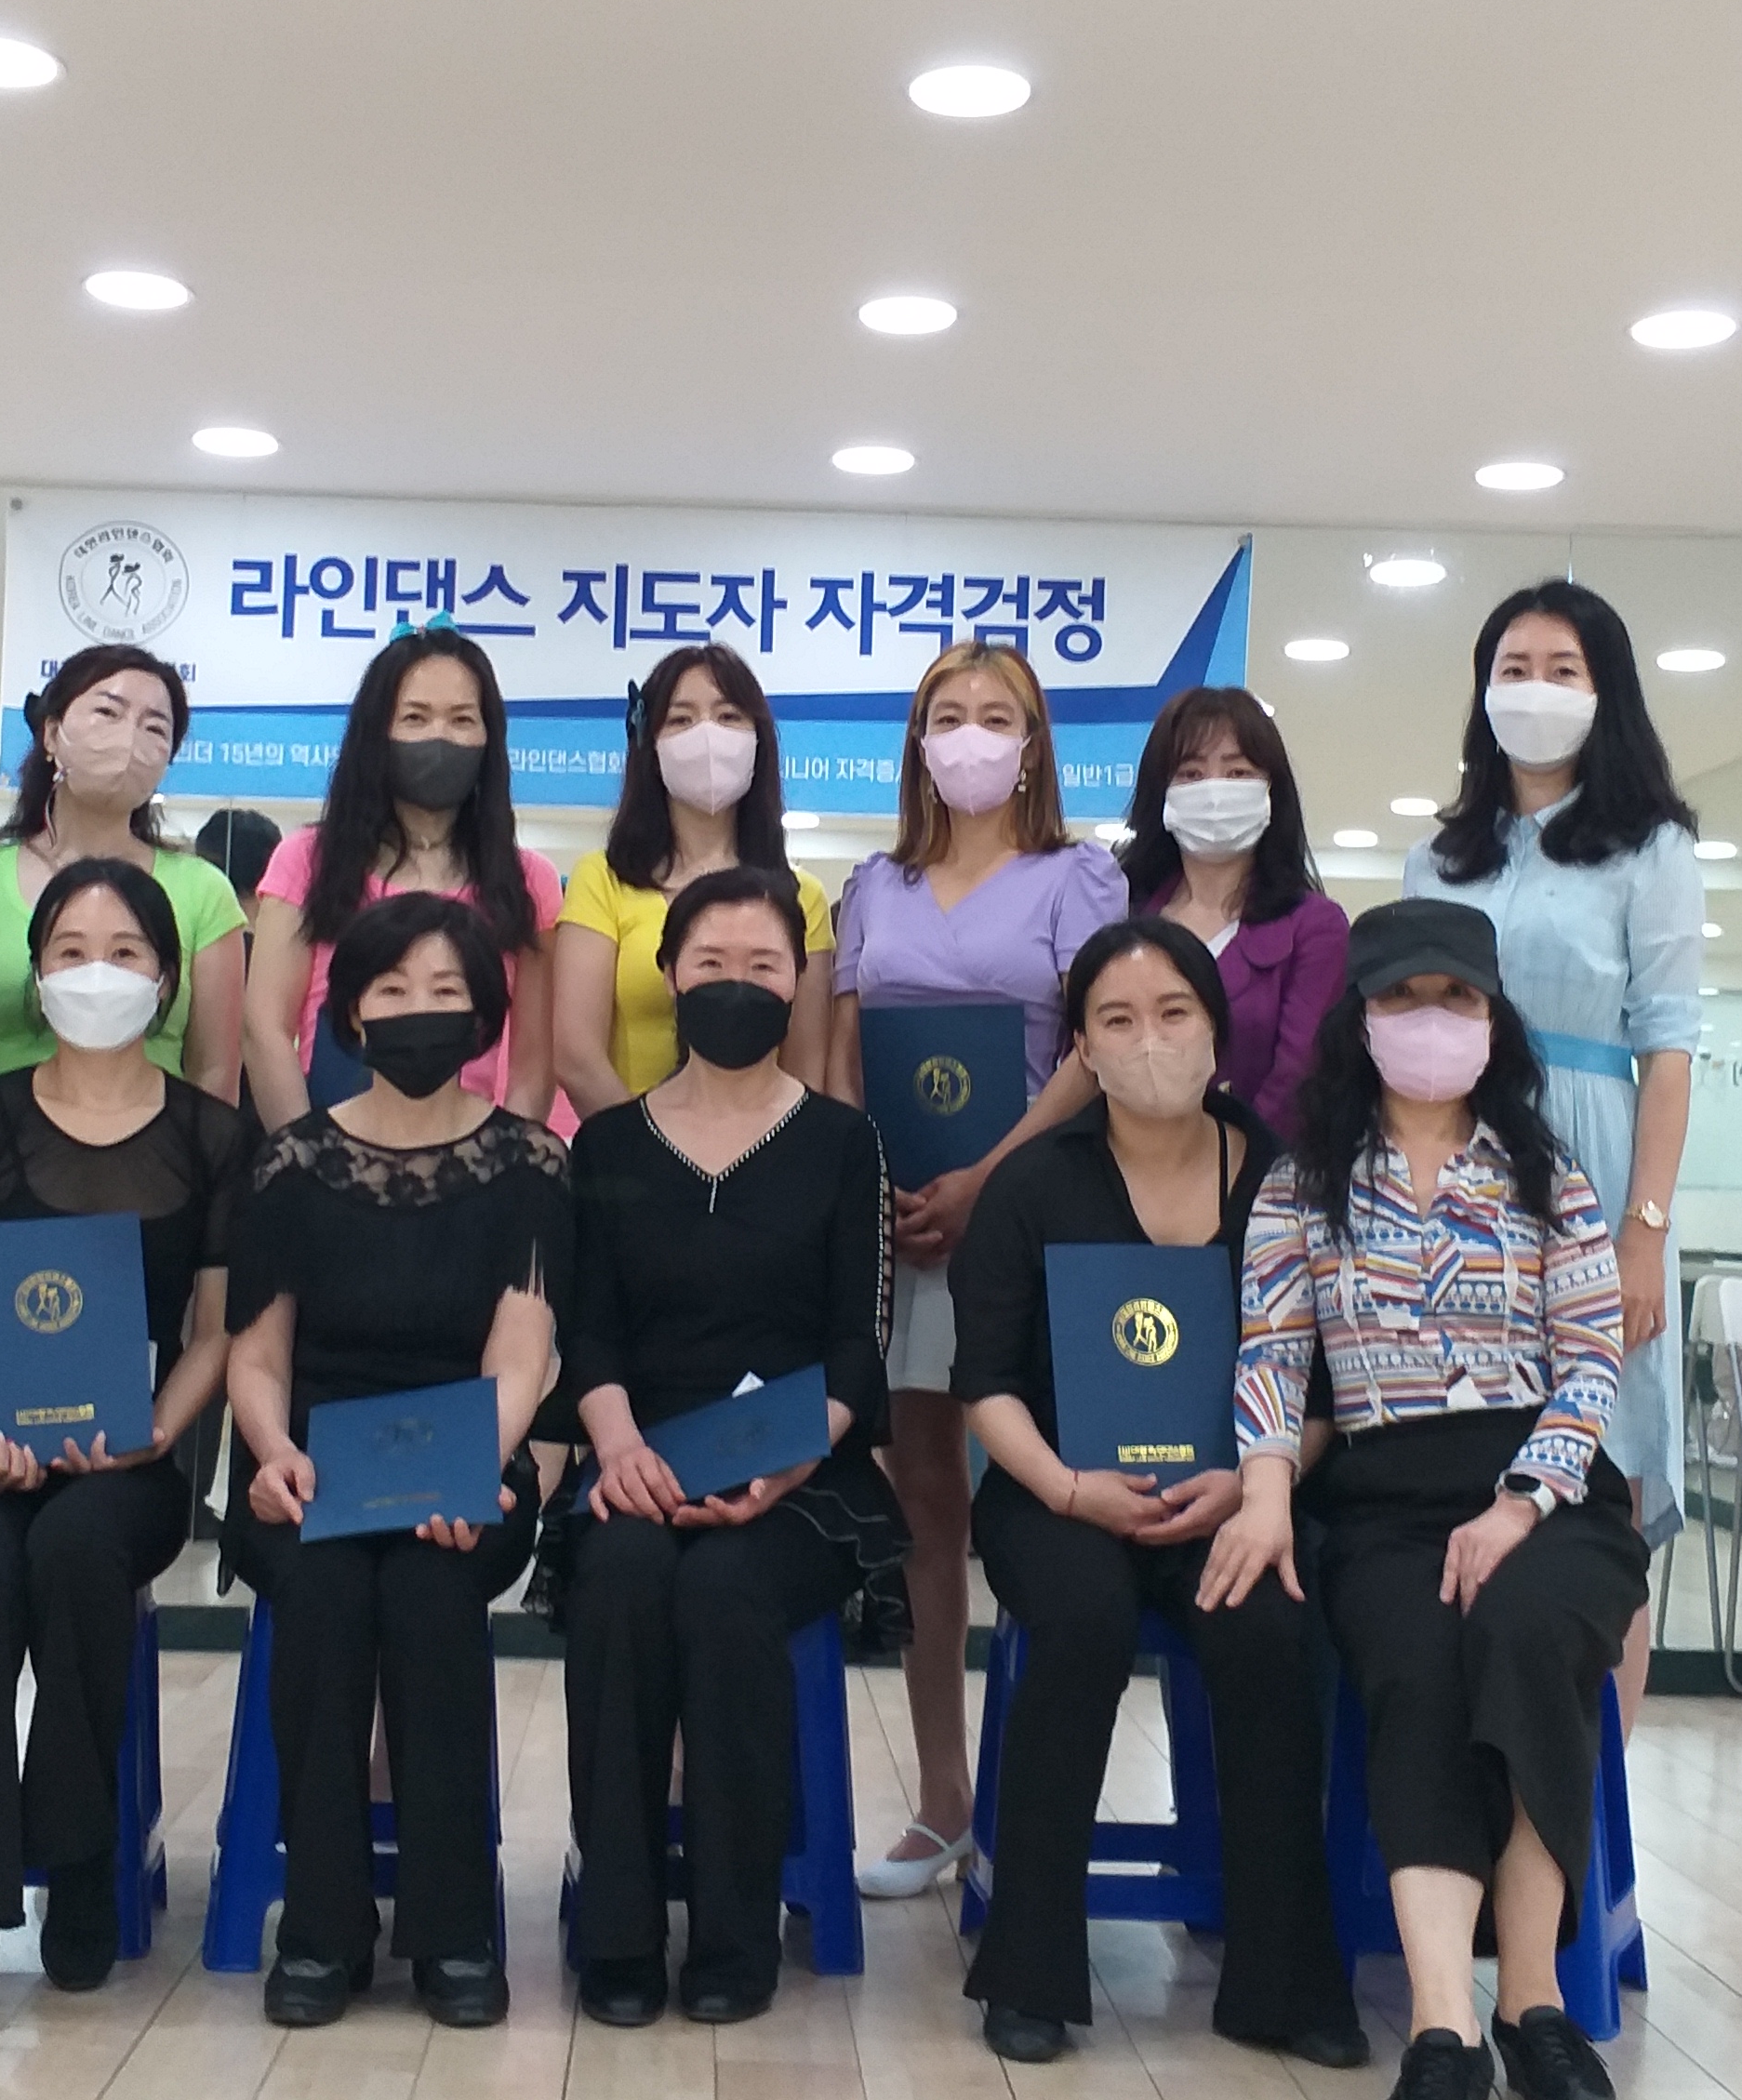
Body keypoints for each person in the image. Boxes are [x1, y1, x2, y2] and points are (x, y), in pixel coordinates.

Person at [1206, 897, 1650, 2100]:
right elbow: (1273, 1357)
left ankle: (1534, 2003)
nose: (1430, 1020)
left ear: (1494, 1016)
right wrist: (1267, 1489)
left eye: (1456, 997)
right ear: (1360, 1018)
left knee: (1526, 1629)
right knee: (1415, 1660)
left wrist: (1520, 1503)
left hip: (1548, 1493)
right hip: (1385, 1498)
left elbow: (1590, 1360)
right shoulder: (1302, 1183)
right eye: (1402, 998)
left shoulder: (1550, 1176)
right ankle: (1444, 2030)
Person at [949, 917, 1363, 2068]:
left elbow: (1331, 1387)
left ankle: (1283, 1979)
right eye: (1117, 1021)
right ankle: (1031, 1970)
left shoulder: (1286, 1179)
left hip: (1241, 1490)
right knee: (1080, 1619)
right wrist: (1071, 1490)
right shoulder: (1034, 1182)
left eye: (1174, 1013)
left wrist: (1257, 1480)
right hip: (1056, 1491)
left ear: (1217, 1032)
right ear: (1081, 1045)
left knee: (1270, 1624)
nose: (1149, 1042)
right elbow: (985, 1386)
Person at [0, 855, 251, 2043]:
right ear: (36, 977)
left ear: (168, 981)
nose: (99, 974)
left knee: (78, 1552)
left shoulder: (212, 1135)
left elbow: (215, 1328)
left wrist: (152, 1433)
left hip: (128, 1458)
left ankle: (79, 1855)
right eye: (72, 953)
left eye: (126, 953)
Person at [557, 870, 902, 2027]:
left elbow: (859, 1342)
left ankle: (734, 1933)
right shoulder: (608, 1143)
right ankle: (617, 1933)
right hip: (637, 1452)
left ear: (798, 982)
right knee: (621, 1578)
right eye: (712, 963)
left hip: (802, 1470)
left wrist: (794, 1456)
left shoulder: (844, 1143)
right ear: (669, 975)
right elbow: (588, 1330)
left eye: (765, 966)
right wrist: (617, 1450)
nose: (738, 986)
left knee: (726, 1589)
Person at [222, 892, 564, 2028]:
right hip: (309, 1471)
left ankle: (453, 1929)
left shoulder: (531, 1164)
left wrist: (475, 1470)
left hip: (471, 1464)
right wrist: (272, 1452)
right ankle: (321, 1931)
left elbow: (521, 1357)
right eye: (393, 989)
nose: (421, 1010)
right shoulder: (291, 1164)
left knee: (427, 1596)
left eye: (447, 992)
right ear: (352, 1014)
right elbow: (257, 1355)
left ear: (485, 1018)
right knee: (323, 1598)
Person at [828, 640, 1127, 1900]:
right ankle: (943, 1797)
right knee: (926, 1500)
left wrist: (987, 1180)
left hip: (1028, 1217)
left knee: (1044, 1499)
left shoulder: (1080, 877)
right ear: (916, 743)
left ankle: (1036, 1801)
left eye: (995, 716)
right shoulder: (873, 886)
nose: (969, 735)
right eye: (946, 715)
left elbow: (1095, 1047)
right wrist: (866, 1186)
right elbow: (841, 1047)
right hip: (898, 1222)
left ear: (1034, 743)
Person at [1416, 582, 1704, 1709]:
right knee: (1472, 1452)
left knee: (1606, 1481)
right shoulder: (1439, 859)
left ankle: (1595, 1789)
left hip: (1598, 1157)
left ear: (1605, 691)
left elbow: (1668, 1051)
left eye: (1563, 669)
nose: (1534, 689)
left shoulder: (1650, 849)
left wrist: (1646, 1231)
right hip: (1462, 1169)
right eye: (1514, 668)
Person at [241, 628, 561, 1128]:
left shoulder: (528, 881)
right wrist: (308, 1152)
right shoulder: (307, 860)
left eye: (462, 719)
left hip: (472, 1148)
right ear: (376, 733)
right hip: (327, 1137)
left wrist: (502, 1159)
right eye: (415, 717)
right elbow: (265, 1030)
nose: (440, 736)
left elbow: (533, 1064)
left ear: (489, 738)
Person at [0, 645, 249, 1097]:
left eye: (154, 727)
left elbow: (215, 1070)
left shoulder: (203, 891)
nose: (130, 738)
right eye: (108, 712)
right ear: (52, 734)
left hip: (157, 1137)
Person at [553, 644, 838, 1110]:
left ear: (758, 740)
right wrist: (644, 1143)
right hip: (626, 1145)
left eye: (728, 717)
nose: (707, 734)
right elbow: (577, 1056)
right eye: (681, 719)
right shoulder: (601, 880)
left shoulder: (802, 897)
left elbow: (806, 1066)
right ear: (650, 743)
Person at [1116, 688, 1350, 1150]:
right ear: (1161, 792)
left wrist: (1225, 1161)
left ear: (1271, 791)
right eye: (1190, 773)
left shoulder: (1316, 927)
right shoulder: (1121, 913)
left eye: (1238, 772)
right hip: (1125, 1165)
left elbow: (1298, 1075)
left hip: (1261, 1171)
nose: (1215, 791)